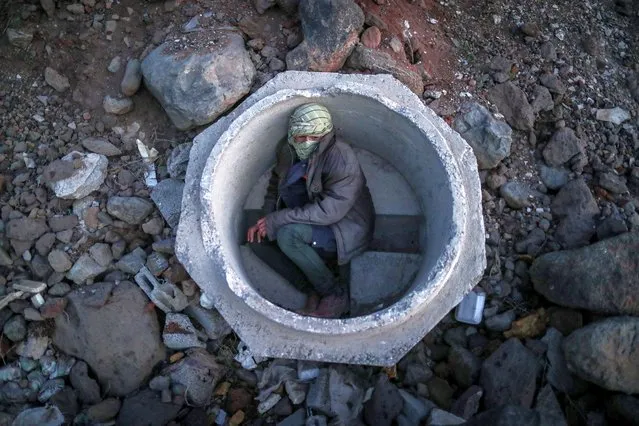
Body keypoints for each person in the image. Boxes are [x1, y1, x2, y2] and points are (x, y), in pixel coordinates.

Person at [247, 103, 374, 318]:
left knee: (288, 236)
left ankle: (334, 293)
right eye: (299, 137)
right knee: (257, 240)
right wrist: (266, 219)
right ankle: (312, 288)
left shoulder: (340, 157)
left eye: (313, 137)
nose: (305, 142)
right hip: (306, 212)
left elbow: (330, 211)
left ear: (325, 134)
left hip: (343, 227)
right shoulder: (288, 150)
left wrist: (279, 219)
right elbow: (274, 187)